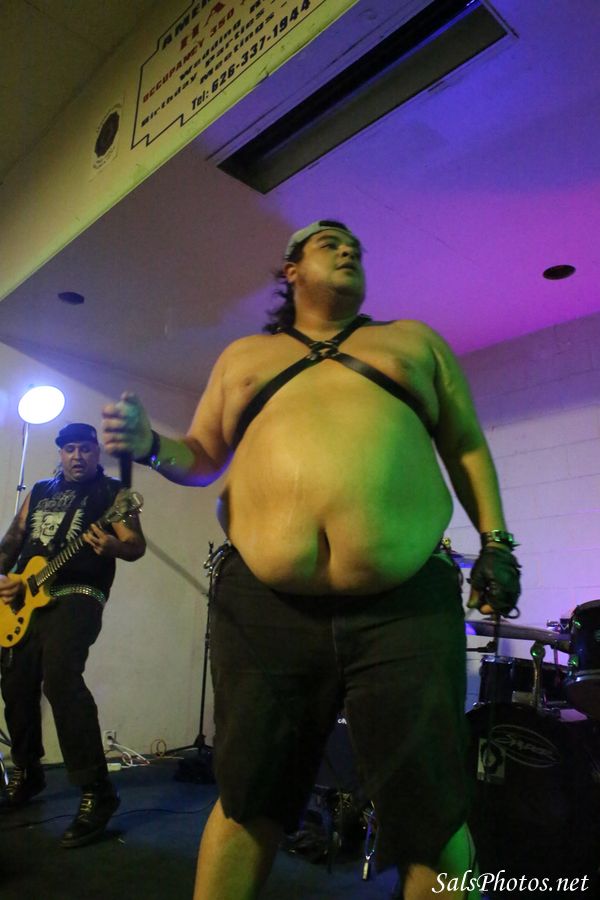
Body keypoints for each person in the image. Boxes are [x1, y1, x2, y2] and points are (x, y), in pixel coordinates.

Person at [101, 220, 520, 899]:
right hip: (264, 607)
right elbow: (201, 457)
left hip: (405, 606)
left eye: (355, 246)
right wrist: (152, 444)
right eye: (329, 243)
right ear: (291, 269)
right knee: (248, 798)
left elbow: (466, 443)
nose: (349, 249)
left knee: (432, 810)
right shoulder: (244, 357)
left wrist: (497, 542)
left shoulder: (413, 342)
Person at [0, 422, 145, 847]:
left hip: (79, 593)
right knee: (15, 681)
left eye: (85, 448)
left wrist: (115, 547)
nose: (77, 456)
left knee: (61, 677)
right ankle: (28, 772)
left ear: (97, 452)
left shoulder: (114, 493)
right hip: (25, 599)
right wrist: (4, 579)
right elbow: (12, 540)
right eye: (69, 449)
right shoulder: (40, 491)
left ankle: (97, 791)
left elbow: (135, 544)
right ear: (60, 453)